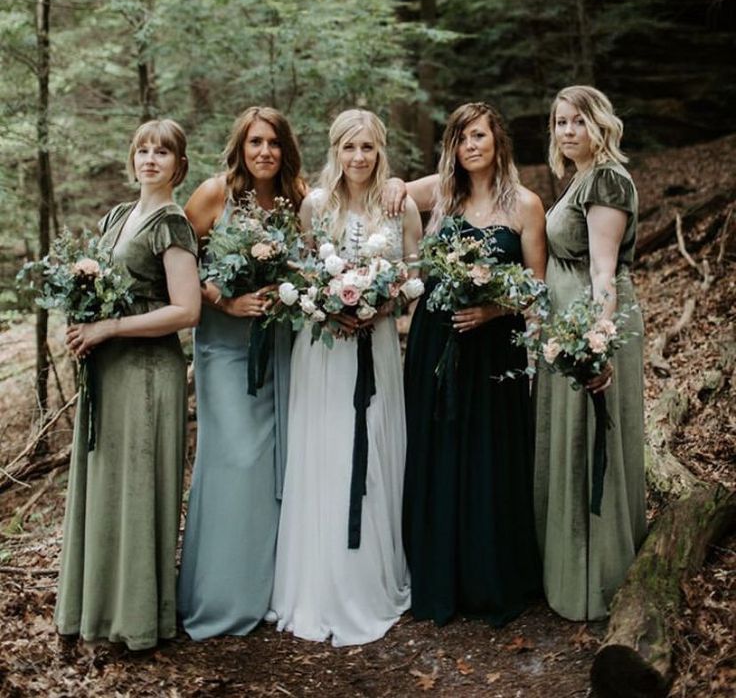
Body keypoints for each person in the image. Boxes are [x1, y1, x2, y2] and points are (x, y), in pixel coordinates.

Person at [268, 109, 422, 646]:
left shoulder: (397, 206)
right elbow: (304, 274)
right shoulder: (315, 206)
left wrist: (381, 306)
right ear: (334, 150)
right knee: (326, 453)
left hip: (376, 346)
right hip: (325, 352)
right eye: (349, 148)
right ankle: (320, 582)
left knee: (374, 449)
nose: (358, 158)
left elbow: (413, 275)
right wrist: (328, 307)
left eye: (368, 148)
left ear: (381, 152)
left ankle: (369, 579)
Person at [397, 102, 546, 626]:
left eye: (479, 136)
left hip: (494, 346)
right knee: (438, 451)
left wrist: (492, 308)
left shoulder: (526, 205)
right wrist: (393, 185)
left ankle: (490, 576)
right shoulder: (441, 194)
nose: (471, 146)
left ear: (497, 141)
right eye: (461, 139)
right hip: (436, 343)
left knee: (488, 453)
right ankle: (439, 576)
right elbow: (391, 188)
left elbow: (536, 289)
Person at [56, 119, 200, 651]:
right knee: (106, 486)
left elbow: (187, 310)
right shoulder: (118, 217)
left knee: (137, 490)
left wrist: (109, 327)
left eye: (163, 152)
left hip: (146, 373)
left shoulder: (172, 224)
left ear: (178, 166)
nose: (151, 160)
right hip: (109, 370)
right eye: (143, 150)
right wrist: (84, 319)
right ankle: (94, 610)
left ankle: (138, 619)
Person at [177, 107, 307, 640]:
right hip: (225, 347)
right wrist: (223, 301)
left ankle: (270, 587)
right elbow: (183, 263)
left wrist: (286, 288)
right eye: (255, 142)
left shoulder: (297, 197)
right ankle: (221, 593)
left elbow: (308, 265)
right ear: (241, 145)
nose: (264, 152)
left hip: (278, 344)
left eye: (273, 143)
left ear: (285, 149)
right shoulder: (214, 194)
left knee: (275, 463)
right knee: (234, 460)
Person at [534, 85, 646, 621]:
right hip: (570, 325)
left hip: (590, 328)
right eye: (560, 122)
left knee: (589, 441)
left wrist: (597, 346)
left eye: (578, 121)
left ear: (600, 123)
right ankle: (566, 566)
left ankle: (594, 579)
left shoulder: (605, 179)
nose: (567, 130)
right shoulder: (580, 178)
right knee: (572, 440)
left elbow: (604, 272)